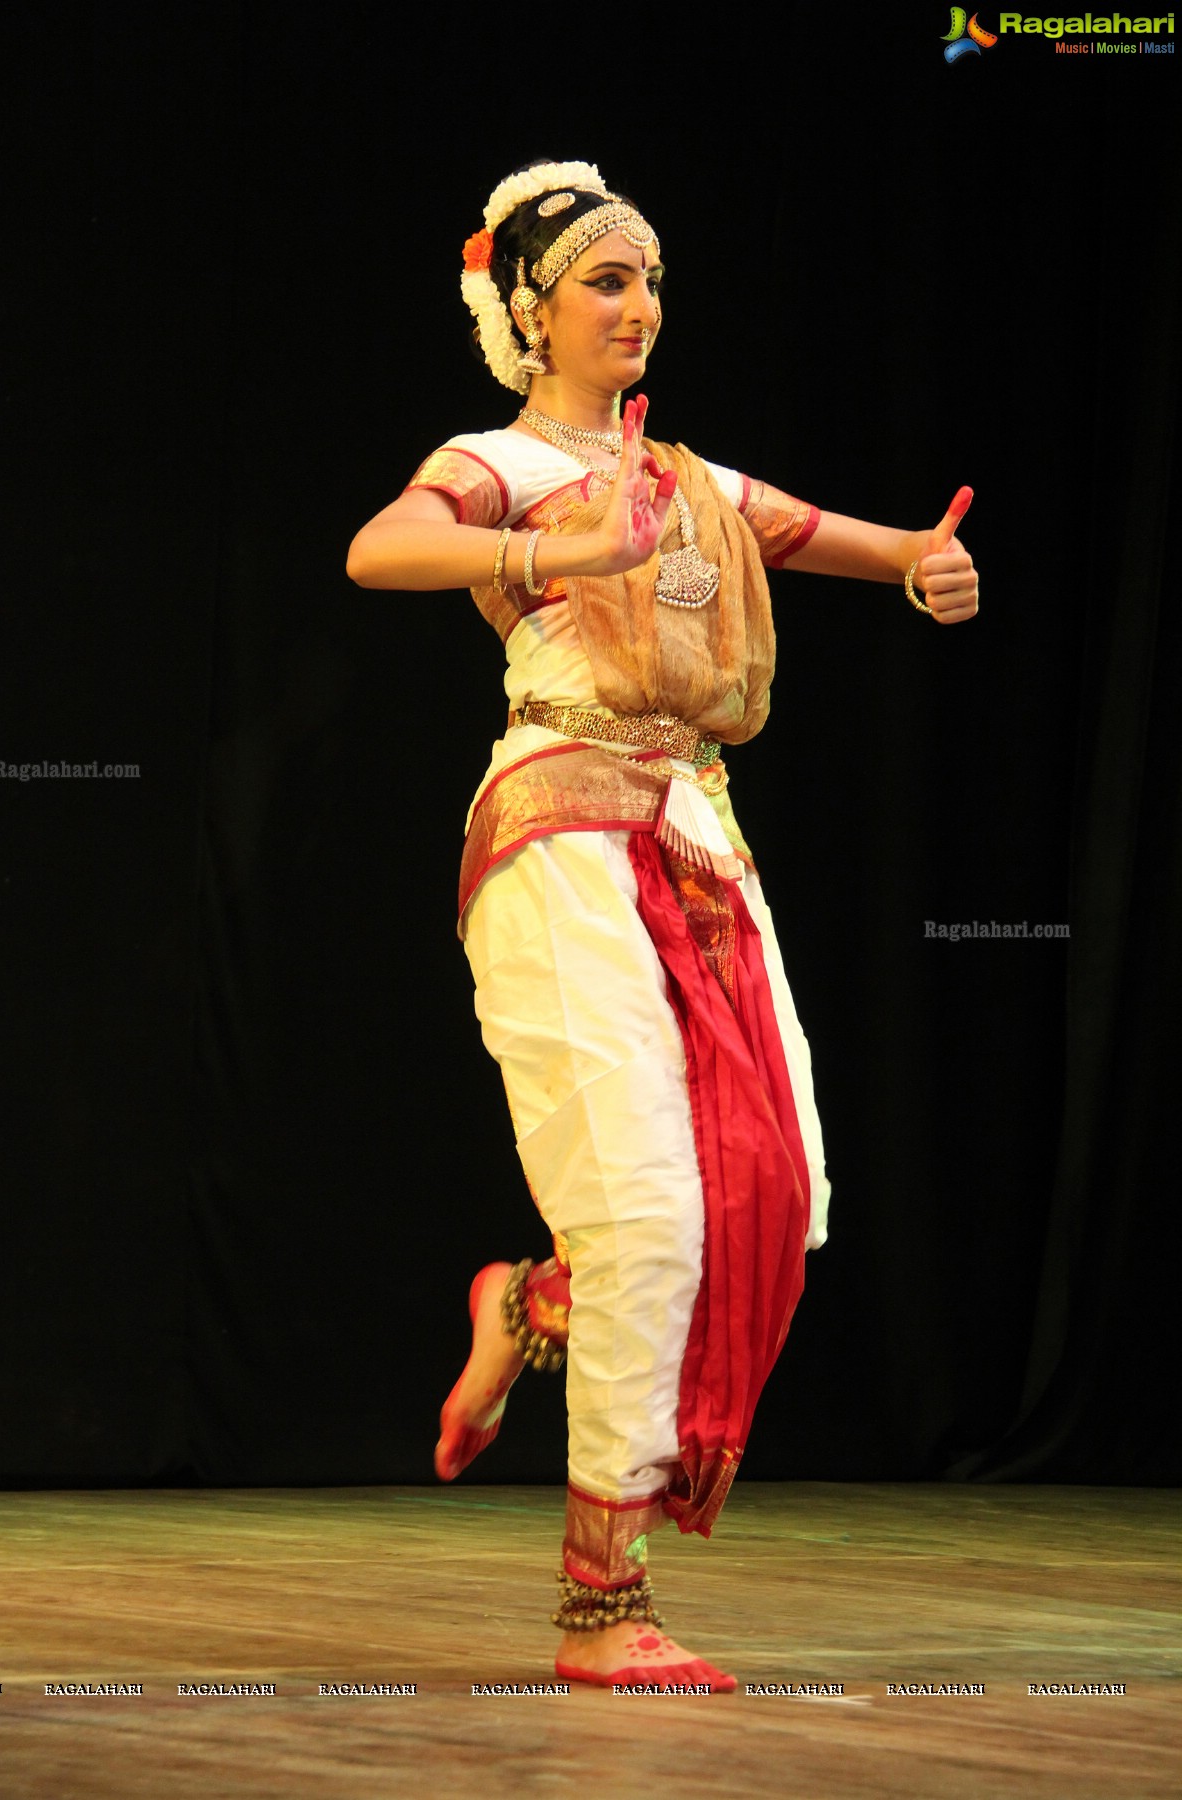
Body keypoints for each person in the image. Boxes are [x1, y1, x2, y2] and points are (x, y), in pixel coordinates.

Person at [346, 159, 978, 1692]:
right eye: (604, 284)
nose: (637, 308)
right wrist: (556, 555)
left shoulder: (685, 479)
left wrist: (913, 560)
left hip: (697, 839)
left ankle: (533, 1301)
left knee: (782, 1187)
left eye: (649, 283)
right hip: (560, 826)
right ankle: (600, 1604)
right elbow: (382, 549)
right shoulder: (500, 460)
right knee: (651, 1207)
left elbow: (809, 531)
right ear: (531, 311)